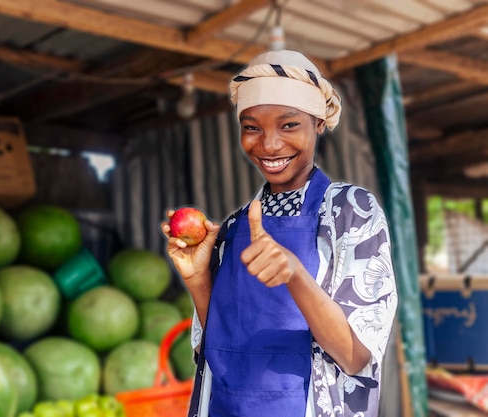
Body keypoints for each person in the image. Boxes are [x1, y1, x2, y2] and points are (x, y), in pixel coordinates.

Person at [161, 49, 398, 417]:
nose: (269, 144)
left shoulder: (350, 212)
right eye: (252, 127)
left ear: (319, 123)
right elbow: (224, 344)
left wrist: (295, 274)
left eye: (289, 125)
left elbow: (355, 357)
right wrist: (197, 279)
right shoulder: (236, 224)